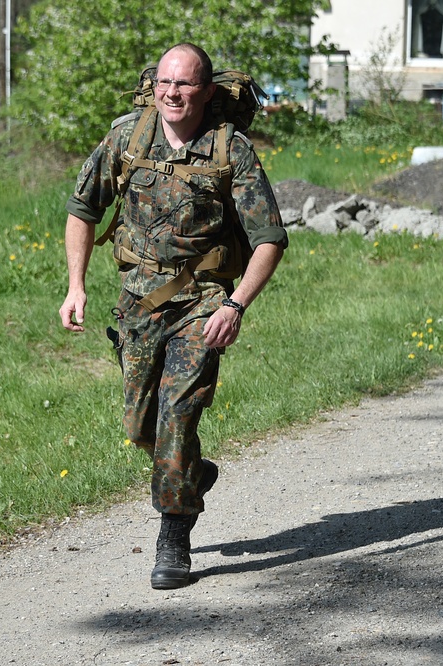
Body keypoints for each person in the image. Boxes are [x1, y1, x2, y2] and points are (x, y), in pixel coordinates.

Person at [58, 43, 287, 590]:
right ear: (152, 84)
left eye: (184, 85)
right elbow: (82, 210)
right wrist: (75, 286)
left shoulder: (230, 148)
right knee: (141, 428)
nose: (173, 94)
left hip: (203, 303)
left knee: (177, 420)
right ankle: (192, 476)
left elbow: (270, 239)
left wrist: (235, 304)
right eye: (165, 82)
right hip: (137, 304)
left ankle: (174, 536)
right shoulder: (127, 137)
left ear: (207, 91)